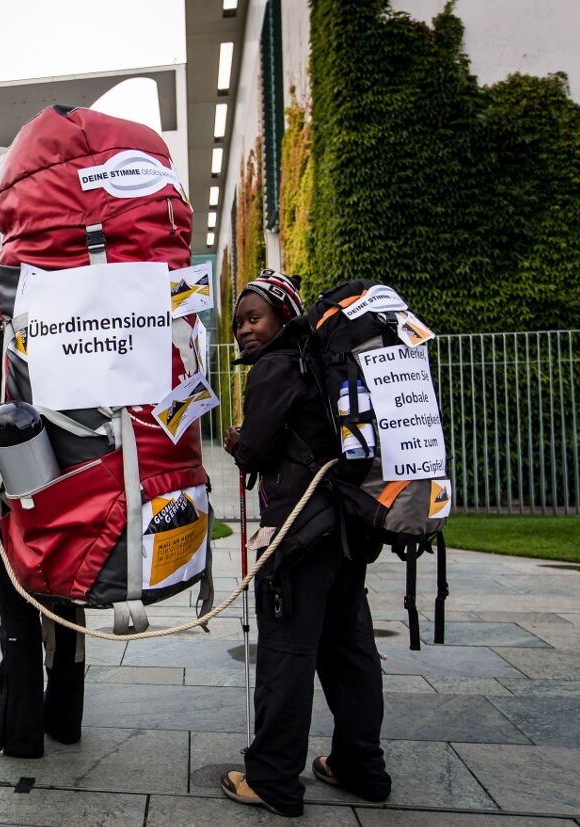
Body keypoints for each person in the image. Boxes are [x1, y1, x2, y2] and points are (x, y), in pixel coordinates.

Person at [220, 270, 391, 817]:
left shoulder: (274, 367)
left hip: (297, 535)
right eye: (240, 320)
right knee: (350, 652)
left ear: (282, 317)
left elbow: (256, 449)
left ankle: (271, 778)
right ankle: (360, 766)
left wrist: (239, 443)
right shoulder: (318, 363)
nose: (245, 329)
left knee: (287, 655)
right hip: (342, 529)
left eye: (255, 318)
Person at [0, 262, 85, 758]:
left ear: (2, 300)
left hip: (8, 495)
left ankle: (20, 732)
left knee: (17, 612)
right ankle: (65, 721)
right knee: (66, 605)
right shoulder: (56, 335)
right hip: (67, 487)